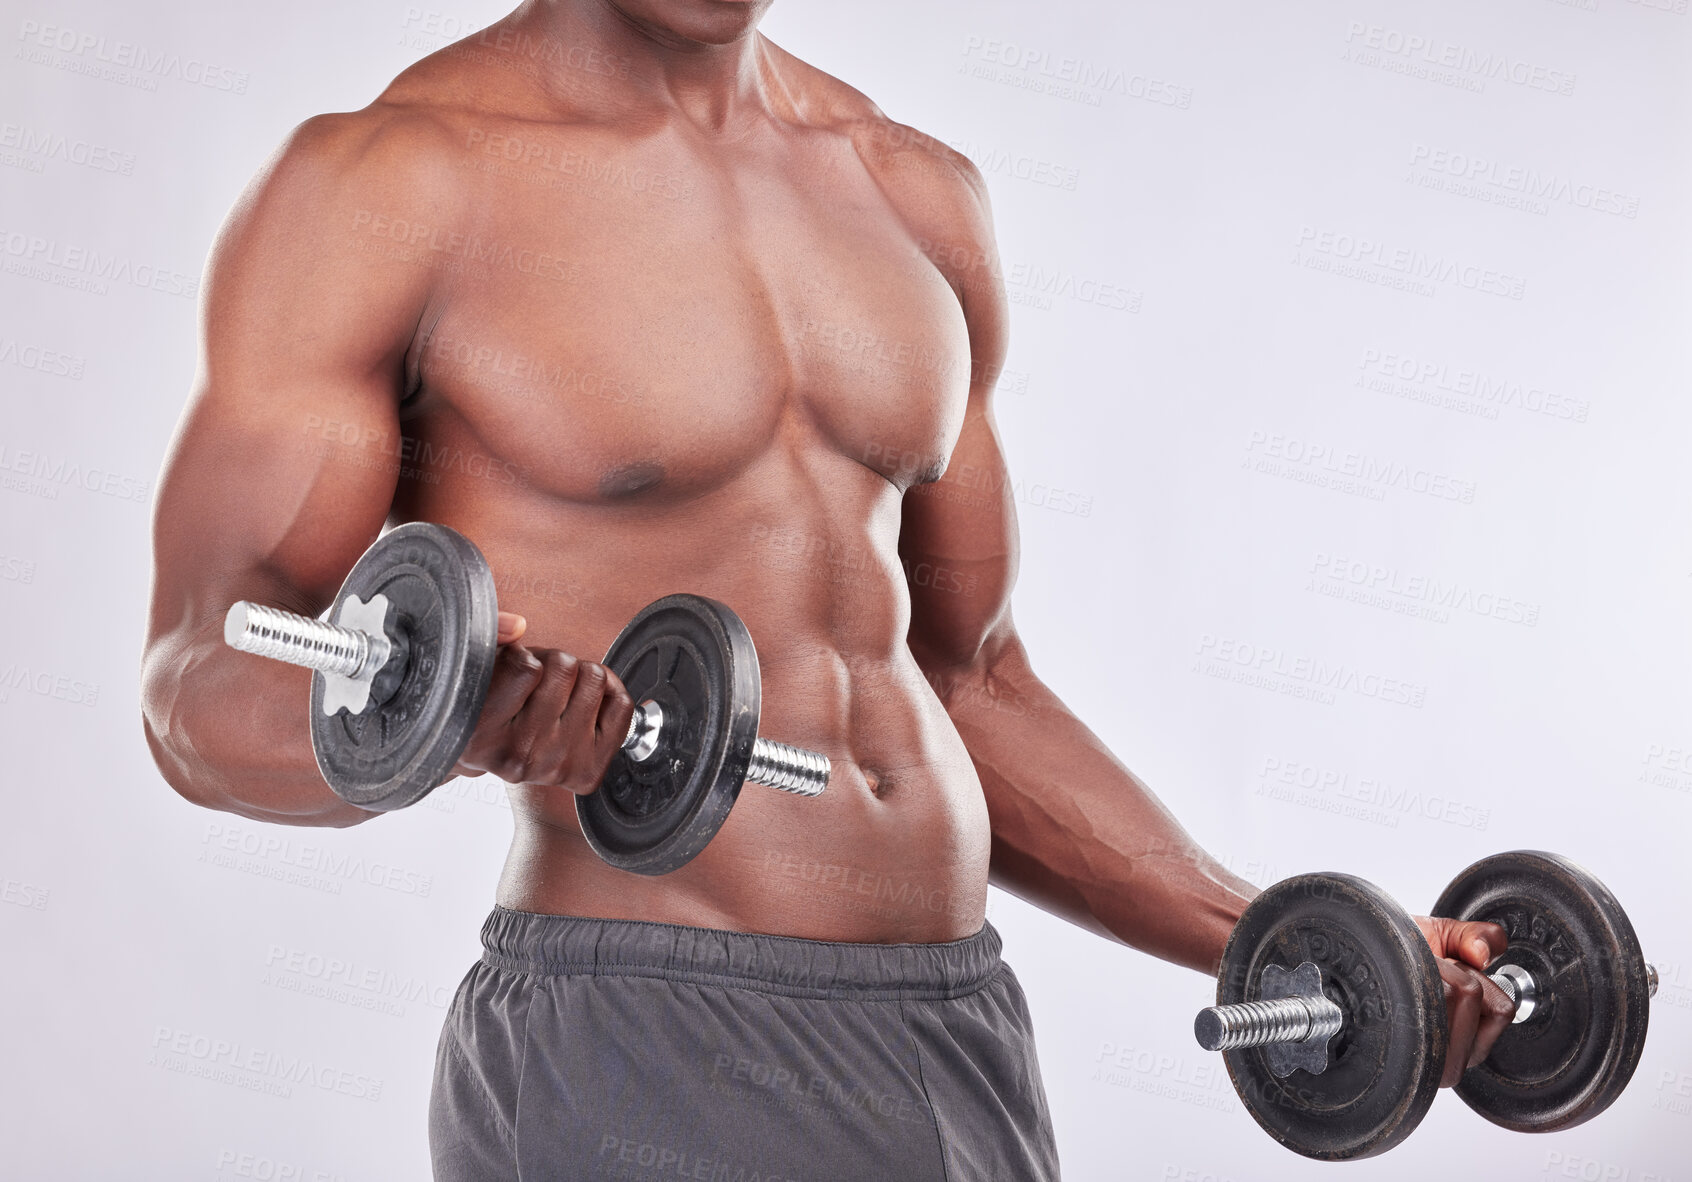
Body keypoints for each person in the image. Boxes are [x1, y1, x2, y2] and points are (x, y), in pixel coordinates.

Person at [140, 1, 1514, 1176]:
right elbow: (194, 683)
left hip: (951, 1027)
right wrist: (453, 727)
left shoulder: (909, 192)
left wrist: (1279, 936)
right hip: (642, 1030)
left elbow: (971, 681)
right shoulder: (391, 185)